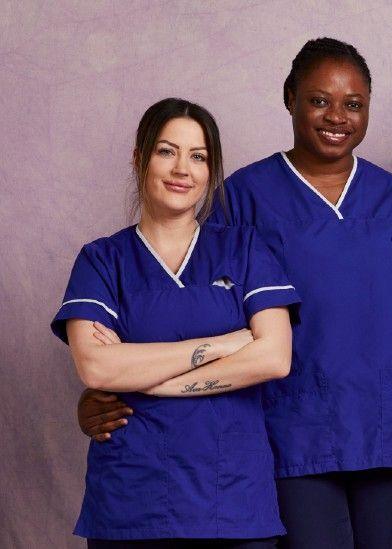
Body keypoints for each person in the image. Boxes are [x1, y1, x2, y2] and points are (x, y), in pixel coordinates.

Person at [76, 38, 392, 549]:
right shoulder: (241, 198)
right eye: (318, 99)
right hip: (288, 428)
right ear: (289, 97)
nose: (336, 115)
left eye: (353, 103)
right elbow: (186, 306)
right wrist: (105, 391)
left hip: (388, 425)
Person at [52, 97, 300, 547]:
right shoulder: (103, 260)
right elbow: (97, 368)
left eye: (198, 156)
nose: (182, 169)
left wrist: (147, 376)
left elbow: (274, 356)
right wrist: (227, 344)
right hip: (132, 500)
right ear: (140, 158)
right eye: (167, 151)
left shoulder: (243, 249)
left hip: (232, 501)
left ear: (210, 170)